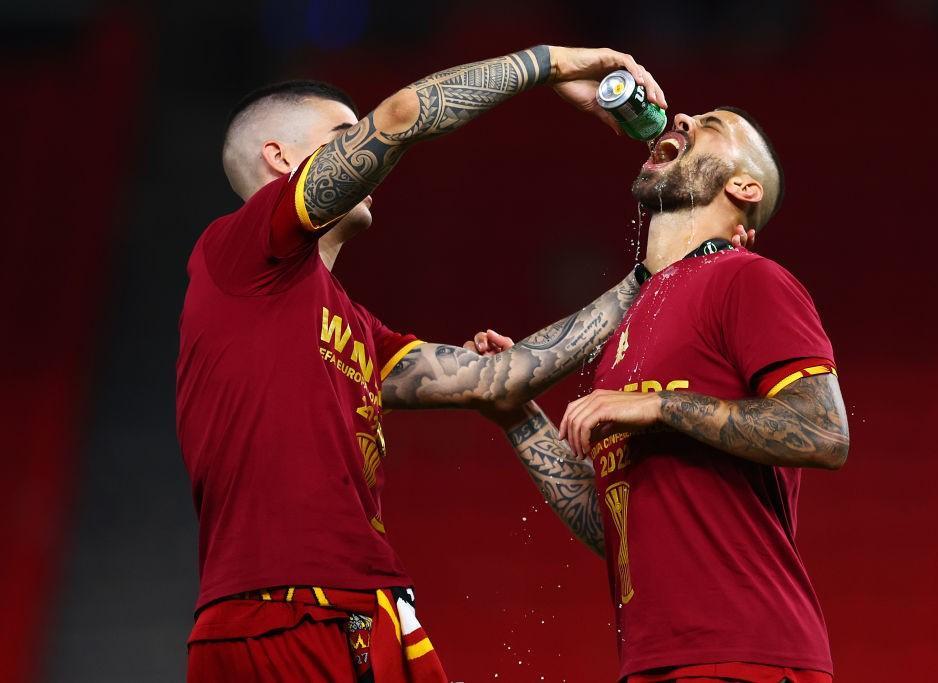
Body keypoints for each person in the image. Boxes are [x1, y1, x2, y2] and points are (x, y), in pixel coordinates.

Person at [176, 44, 701, 682]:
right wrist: (553, 63)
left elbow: (500, 379)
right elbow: (402, 114)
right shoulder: (239, 251)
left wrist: (652, 274)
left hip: (363, 608)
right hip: (287, 611)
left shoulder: (352, 326)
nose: (367, 145)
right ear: (282, 159)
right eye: (346, 133)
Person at [490, 108, 849, 683]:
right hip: (654, 661)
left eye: (711, 122)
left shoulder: (747, 278)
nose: (681, 116)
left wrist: (658, 405)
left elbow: (824, 432)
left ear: (743, 186)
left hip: (746, 655)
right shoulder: (633, 327)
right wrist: (514, 416)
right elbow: (611, 523)